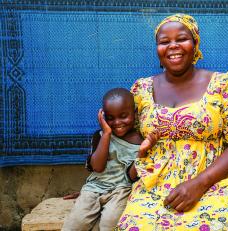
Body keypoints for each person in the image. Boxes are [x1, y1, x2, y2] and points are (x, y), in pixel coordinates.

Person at [117, 14, 228, 230]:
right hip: (155, 184)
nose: (173, 46)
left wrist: (199, 183)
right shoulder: (141, 89)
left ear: (195, 43)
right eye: (164, 42)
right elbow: (124, 140)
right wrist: (103, 185)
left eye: (181, 39)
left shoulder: (223, 84)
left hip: (215, 181)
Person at [62, 88, 159, 231]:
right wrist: (106, 134)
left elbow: (132, 177)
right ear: (103, 117)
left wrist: (142, 152)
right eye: (110, 118)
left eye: (123, 116)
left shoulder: (140, 141)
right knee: (75, 223)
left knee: (110, 222)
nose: (117, 122)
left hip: (122, 190)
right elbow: (97, 167)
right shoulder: (100, 136)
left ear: (135, 113)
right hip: (94, 188)